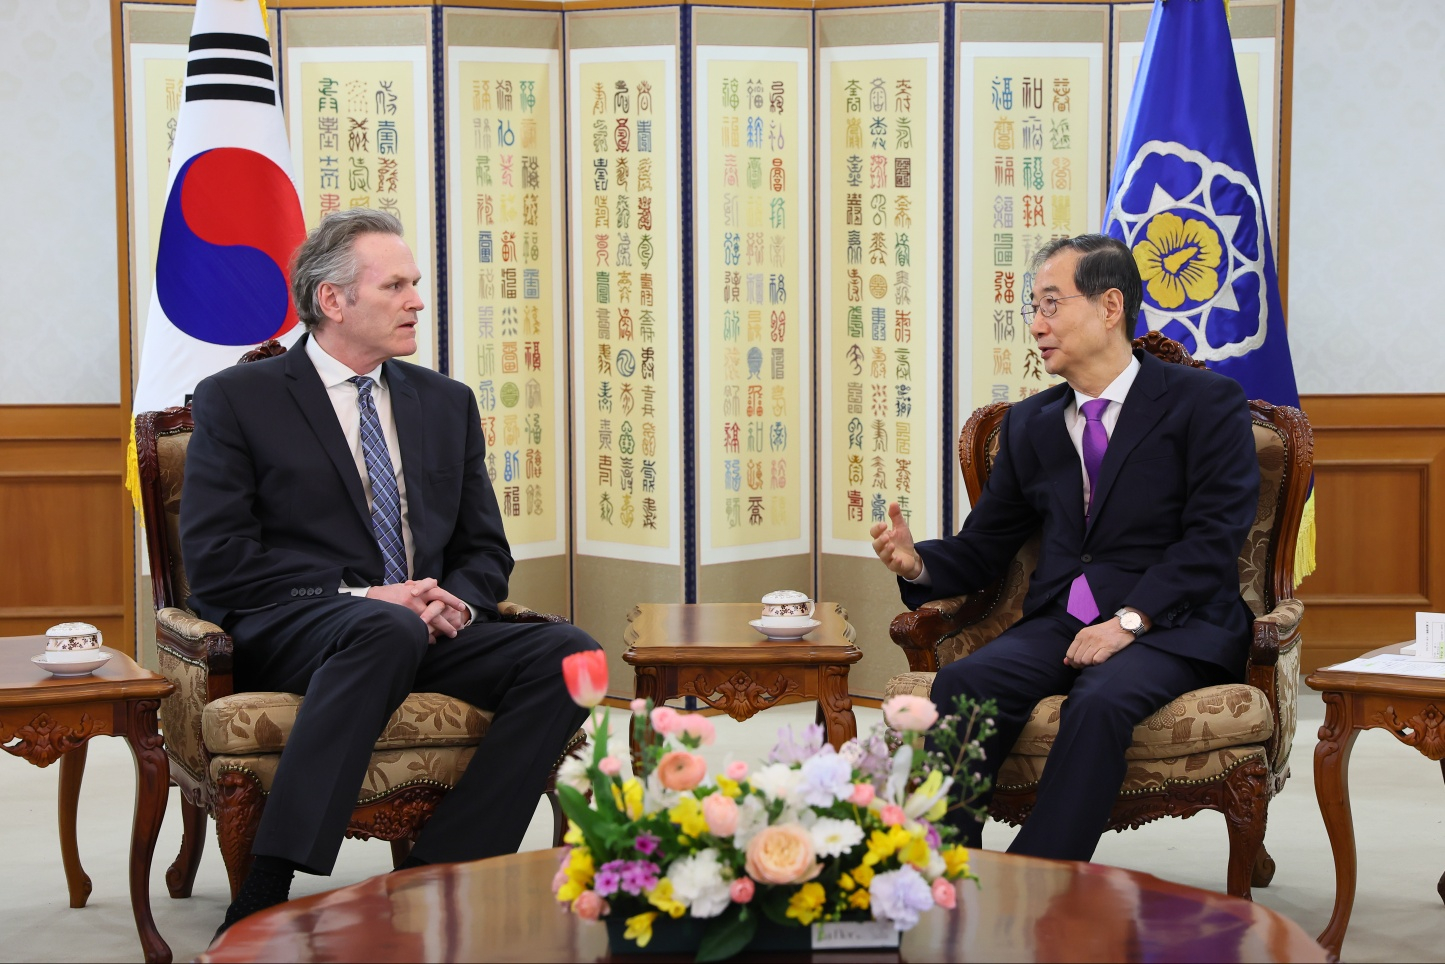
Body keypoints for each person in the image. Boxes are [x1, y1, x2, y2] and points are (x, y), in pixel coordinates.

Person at [181, 208, 601, 932]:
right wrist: (370, 595)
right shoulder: (238, 400)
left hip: (418, 629)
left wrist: (456, 605)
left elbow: (484, 550)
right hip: (298, 625)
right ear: (333, 300)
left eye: (416, 284)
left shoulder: (443, 403)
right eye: (396, 285)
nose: (417, 301)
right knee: (382, 627)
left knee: (570, 655)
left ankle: (439, 871)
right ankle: (265, 888)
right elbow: (219, 562)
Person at [871, 234, 1259, 862]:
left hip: (1174, 623)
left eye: (1051, 303)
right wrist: (919, 563)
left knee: (1101, 700)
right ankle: (942, 869)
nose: (1037, 324)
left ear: (1110, 307)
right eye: (1031, 307)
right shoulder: (1032, 423)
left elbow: (1213, 540)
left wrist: (1129, 622)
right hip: (1067, 618)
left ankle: (1038, 881)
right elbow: (987, 544)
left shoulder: (1206, 404)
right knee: (963, 685)